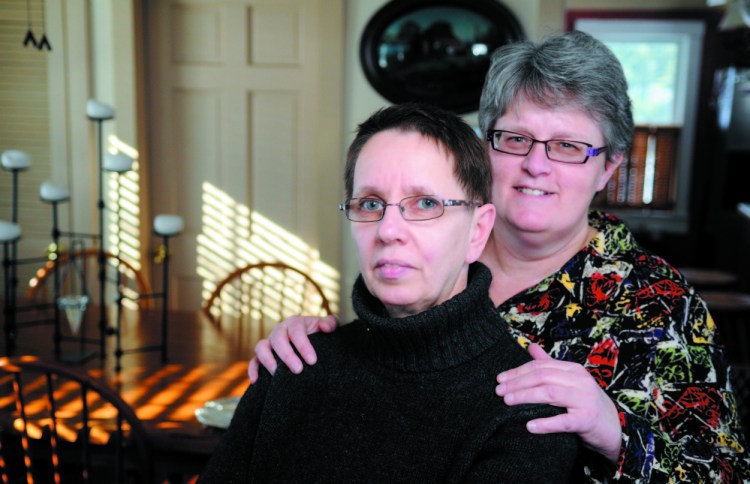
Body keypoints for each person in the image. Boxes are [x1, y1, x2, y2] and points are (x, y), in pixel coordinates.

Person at [248, 31, 750, 482]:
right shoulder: (428, 248)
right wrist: (311, 348)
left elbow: (726, 474)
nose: (536, 165)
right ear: (486, 146)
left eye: (569, 146)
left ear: (609, 168)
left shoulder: (659, 303)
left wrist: (612, 429)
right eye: (515, 139)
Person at [199, 103, 580, 483]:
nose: (388, 229)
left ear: (477, 231)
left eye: (426, 203)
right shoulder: (294, 364)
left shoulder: (527, 411)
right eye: (370, 204)